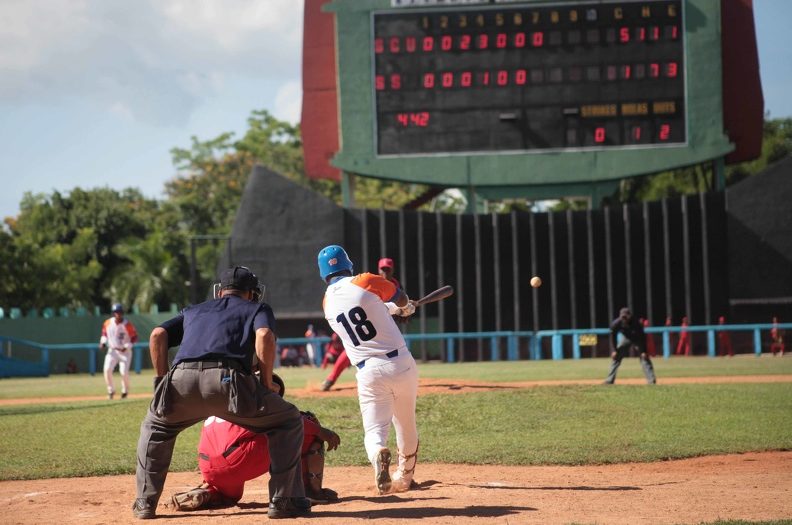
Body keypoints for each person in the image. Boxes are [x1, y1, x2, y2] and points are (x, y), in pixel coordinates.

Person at [132, 266, 310, 520]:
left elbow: (158, 334)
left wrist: (162, 383)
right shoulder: (257, 308)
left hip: (181, 380)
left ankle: (144, 503)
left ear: (220, 291)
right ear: (251, 293)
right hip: (228, 382)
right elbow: (264, 335)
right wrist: (266, 382)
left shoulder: (194, 310)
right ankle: (284, 500)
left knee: (156, 428)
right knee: (288, 419)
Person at [317, 245, 419, 494]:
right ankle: (404, 478)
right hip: (400, 364)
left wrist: (394, 309)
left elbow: (367, 309)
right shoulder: (364, 279)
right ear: (348, 263)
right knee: (405, 423)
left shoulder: (327, 302)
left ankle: (377, 453)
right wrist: (405, 307)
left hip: (367, 371)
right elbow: (399, 298)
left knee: (374, 430)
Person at [169, 374, 341, 511]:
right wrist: (323, 432)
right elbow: (298, 423)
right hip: (238, 459)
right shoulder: (257, 401)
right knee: (305, 424)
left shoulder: (224, 402)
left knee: (230, 497)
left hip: (208, 467)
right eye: (271, 386)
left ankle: (207, 493)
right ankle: (311, 490)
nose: (275, 391)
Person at [603, 307, 657, 385]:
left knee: (644, 358)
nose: (624, 318)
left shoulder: (637, 323)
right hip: (626, 338)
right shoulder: (616, 323)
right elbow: (613, 337)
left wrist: (644, 351)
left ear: (630, 316)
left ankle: (651, 381)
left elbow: (642, 337)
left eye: (626, 316)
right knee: (616, 357)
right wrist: (614, 350)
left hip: (638, 339)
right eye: (622, 317)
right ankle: (609, 380)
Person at [99, 303, 138, 399]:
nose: (118, 314)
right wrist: (103, 342)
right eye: (116, 312)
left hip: (125, 352)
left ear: (122, 313)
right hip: (112, 351)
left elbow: (134, 337)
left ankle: (125, 391)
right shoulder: (107, 322)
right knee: (107, 369)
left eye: (120, 312)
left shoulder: (127, 324)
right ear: (113, 313)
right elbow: (104, 334)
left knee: (123, 372)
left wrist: (128, 346)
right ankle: (110, 391)